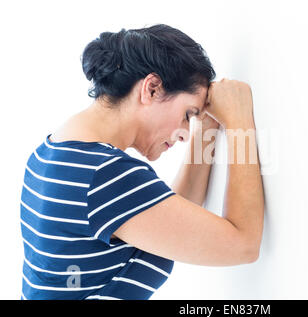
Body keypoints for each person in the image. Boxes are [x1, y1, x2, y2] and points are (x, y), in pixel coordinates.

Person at [19, 24, 264, 300]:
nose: (185, 134)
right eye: (187, 114)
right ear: (152, 88)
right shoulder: (106, 175)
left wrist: (207, 123)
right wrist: (240, 122)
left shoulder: (52, 154)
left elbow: (171, 218)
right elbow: (243, 245)